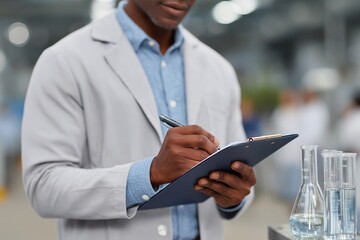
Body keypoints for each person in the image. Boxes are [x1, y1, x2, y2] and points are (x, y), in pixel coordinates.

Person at [21, 0, 256, 239]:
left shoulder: (219, 69)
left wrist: (233, 196)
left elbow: (238, 168)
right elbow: (43, 186)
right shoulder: (65, 61)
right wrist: (149, 174)